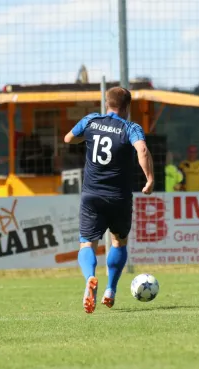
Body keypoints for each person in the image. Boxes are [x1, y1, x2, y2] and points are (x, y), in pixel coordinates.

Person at [63, 86, 154, 314]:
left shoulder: (91, 121)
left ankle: (90, 277)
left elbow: (68, 138)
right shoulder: (130, 128)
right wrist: (150, 178)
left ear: (106, 102)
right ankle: (110, 289)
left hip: (92, 195)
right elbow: (142, 150)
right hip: (119, 197)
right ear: (127, 107)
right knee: (118, 242)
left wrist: (89, 137)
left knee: (87, 243)